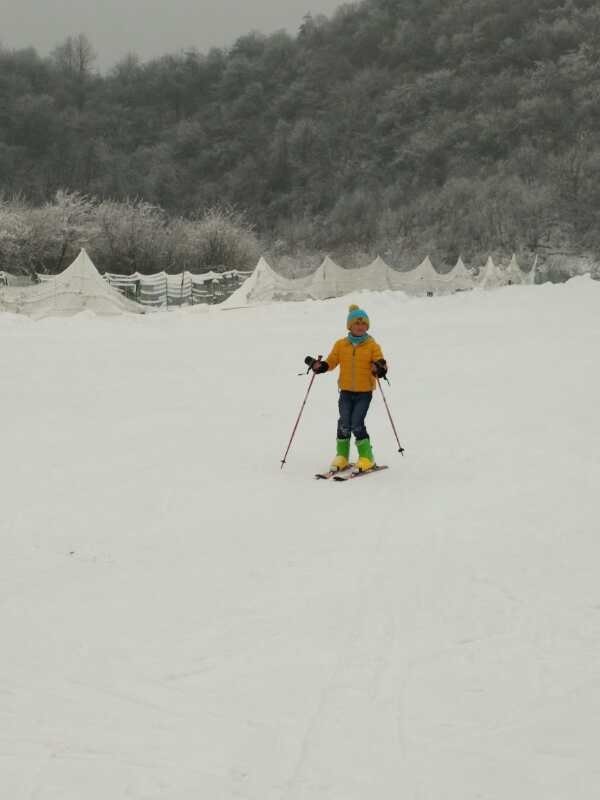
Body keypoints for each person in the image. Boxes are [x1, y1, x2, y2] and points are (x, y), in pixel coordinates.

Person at [305, 304, 388, 472]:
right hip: (345, 391)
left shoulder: (372, 345)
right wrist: (320, 366)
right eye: (357, 324)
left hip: (364, 392)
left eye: (363, 324)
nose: (360, 327)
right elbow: (331, 362)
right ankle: (342, 456)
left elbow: (381, 363)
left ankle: (367, 457)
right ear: (349, 326)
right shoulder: (341, 345)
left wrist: (378, 367)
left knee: (356, 423)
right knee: (344, 422)